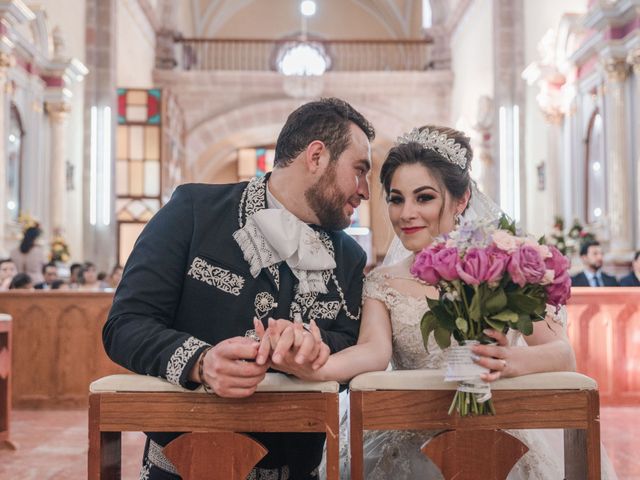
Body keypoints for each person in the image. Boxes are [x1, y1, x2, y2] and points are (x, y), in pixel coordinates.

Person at [269, 125, 616, 479]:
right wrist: (317, 368)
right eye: (396, 198)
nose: (406, 214)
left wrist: (509, 360)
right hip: (408, 443)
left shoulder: (503, 264)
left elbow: (563, 353)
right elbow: (373, 351)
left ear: (461, 198)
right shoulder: (381, 282)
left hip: (497, 437)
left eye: (424, 198)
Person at [103, 98, 375, 479]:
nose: (365, 191)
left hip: (296, 469)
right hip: (186, 463)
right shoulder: (195, 210)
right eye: (359, 170)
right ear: (316, 157)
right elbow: (126, 325)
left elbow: (350, 343)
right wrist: (201, 363)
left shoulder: (348, 255)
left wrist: (312, 349)